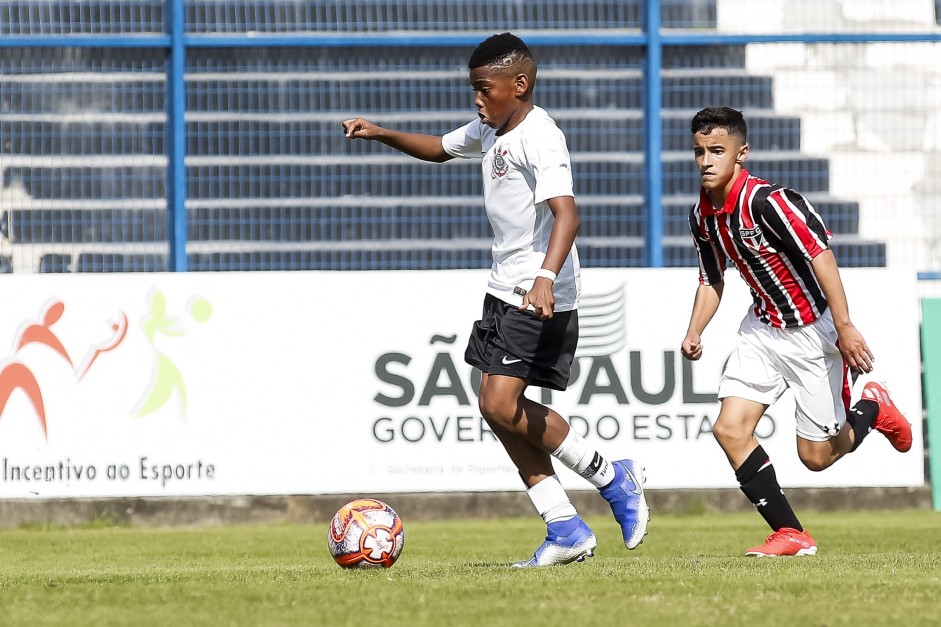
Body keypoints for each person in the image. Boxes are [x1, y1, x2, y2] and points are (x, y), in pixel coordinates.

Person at [343, 32, 649, 567]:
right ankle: (564, 526)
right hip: (503, 287)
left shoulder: (540, 135)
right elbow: (440, 149)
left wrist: (547, 277)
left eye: (485, 89)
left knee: (498, 404)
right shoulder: (491, 129)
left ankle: (611, 475)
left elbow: (567, 214)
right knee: (498, 411)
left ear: (520, 85)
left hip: (537, 293)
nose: (477, 100)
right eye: (474, 90)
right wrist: (381, 133)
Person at [680, 106, 913, 557]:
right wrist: (694, 330)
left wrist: (844, 327)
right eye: (698, 152)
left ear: (741, 153)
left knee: (817, 457)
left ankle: (872, 407)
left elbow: (820, 254)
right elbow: (712, 278)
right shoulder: (702, 216)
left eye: (716, 150)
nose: (706, 160)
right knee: (729, 429)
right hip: (763, 331)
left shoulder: (770, 202)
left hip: (814, 333)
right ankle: (791, 532)